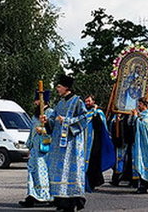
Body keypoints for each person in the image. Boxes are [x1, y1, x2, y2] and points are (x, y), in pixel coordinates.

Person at [47, 74, 90, 212]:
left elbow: (85, 118)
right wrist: (47, 120)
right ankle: (61, 201)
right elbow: (53, 120)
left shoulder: (78, 101)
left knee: (70, 172)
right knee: (59, 172)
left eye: (59, 86)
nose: (57, 89)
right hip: (59, 145)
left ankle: (72, 202)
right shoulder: (60, 103)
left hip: (72, 145)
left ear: (66, 87)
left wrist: (66, 120)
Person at [20, 90, 53, 208]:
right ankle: (32, 196)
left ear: (43, 101)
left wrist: (44, 130)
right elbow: (31, 131)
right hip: (34, 150)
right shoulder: (35, 116)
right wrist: (29, 146)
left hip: (45, 150)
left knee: (43, 173)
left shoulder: (50, 113)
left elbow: (55, 130)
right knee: (32, 172)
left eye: (37, 100)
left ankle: (46, 196)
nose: (35, 102)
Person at [83, 95, 115, 192]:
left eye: (89, 101)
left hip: (95, 141)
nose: (87, 103)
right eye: (86, 101)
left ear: (93, 101)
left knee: (93, 163)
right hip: (84, 142)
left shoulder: (98, 113)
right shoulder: (84, 113)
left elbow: (101, 127)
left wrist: (95, 115)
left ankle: (92, 183)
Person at [131, 98, 148, 194]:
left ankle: (145, 184)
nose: (138, 106)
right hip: (141, 143)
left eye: (140, 104)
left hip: (146, 143)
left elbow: (144, 126)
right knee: (141, 161)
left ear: (144, 105)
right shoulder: (142, 115)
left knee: (146, 161)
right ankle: (143, 183)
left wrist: (135, 117)